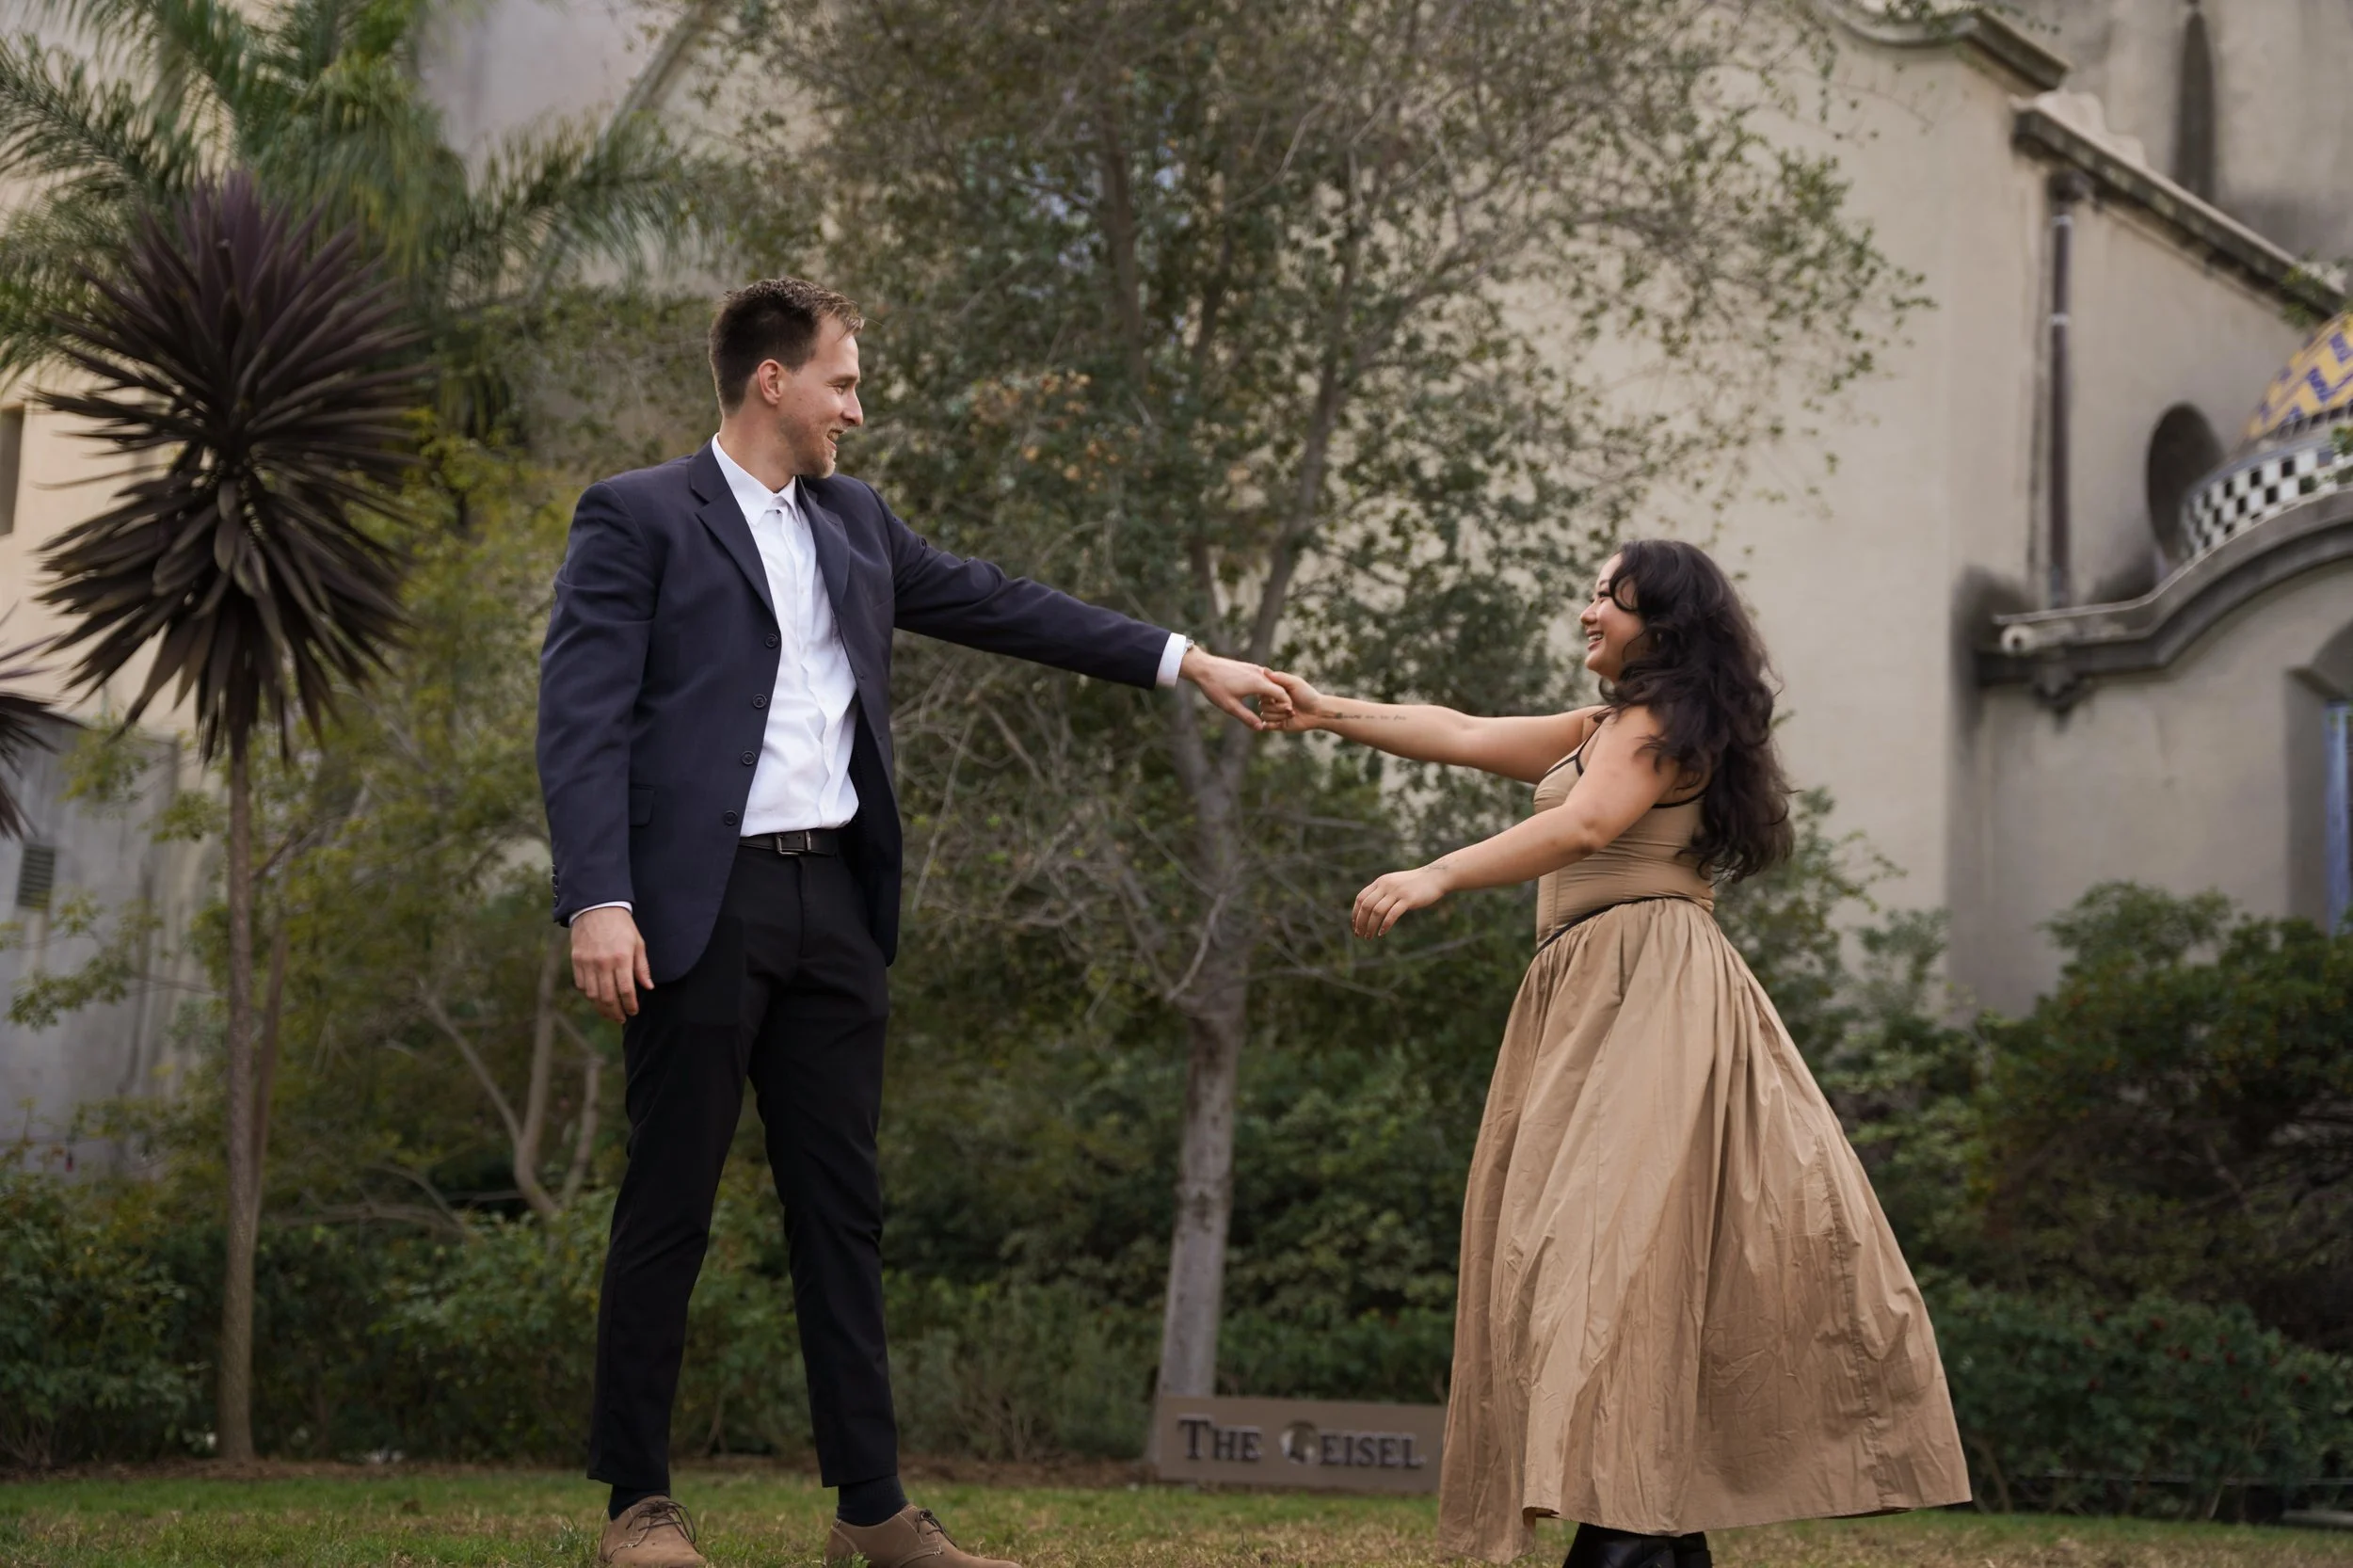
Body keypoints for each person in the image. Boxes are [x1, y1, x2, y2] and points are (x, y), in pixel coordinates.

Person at [536, 277, 1281, 1568]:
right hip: (697, 909)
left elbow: (1004, 603)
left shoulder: (857, 521)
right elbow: (581, 716)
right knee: (670, 1202)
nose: (857, 411)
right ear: (774, 379)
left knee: (846, 1211)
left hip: (838, 902)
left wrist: (1184, 658)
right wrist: (598, 895)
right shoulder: (639, 515)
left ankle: (872, 1512)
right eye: (844, 382)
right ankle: (639, 1509)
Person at [1264, 540, 1969, 1568]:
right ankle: (1642, 1525)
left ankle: (1629, 1526)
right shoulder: (1605, 726)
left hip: (1650, 991)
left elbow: (1588, 827)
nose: (1587, 609)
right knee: (1588, 1259)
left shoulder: (1661, 726)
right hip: (1593, 992)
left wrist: (1437, 873)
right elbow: (1459, 732)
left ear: (1664, 622)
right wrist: (1326, 709)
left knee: (1605, 1258)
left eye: (1609, 595)